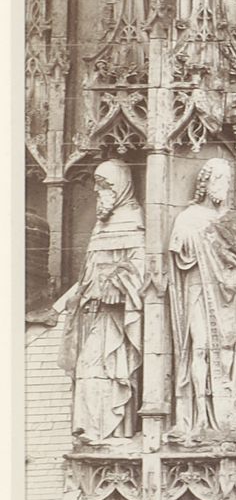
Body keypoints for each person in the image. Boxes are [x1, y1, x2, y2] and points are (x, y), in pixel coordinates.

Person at [167, 158, 236, 445]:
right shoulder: (189, 217)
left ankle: (229, 415)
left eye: (227, 180)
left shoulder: (233, 220)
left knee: (231, 353)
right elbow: (180, 253)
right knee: (200, 347)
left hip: (232, 294)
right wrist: (208, 239)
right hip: (200, 290)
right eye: (218, 180)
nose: (222, 186)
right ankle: (199, 416)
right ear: (205, 184)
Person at [62, 160, 146, 444]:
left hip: (117, 317)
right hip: (93, 312)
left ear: (121, 186)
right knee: (87, 368)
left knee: (103, 367)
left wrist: (117, 283)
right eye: (97, 185)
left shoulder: (135, 217)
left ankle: (109, 428)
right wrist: (82, 293)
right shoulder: (101, 225)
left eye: (106, 185)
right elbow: (90, 268)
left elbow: (140, 264)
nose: (99, 191)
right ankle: (92, 427)